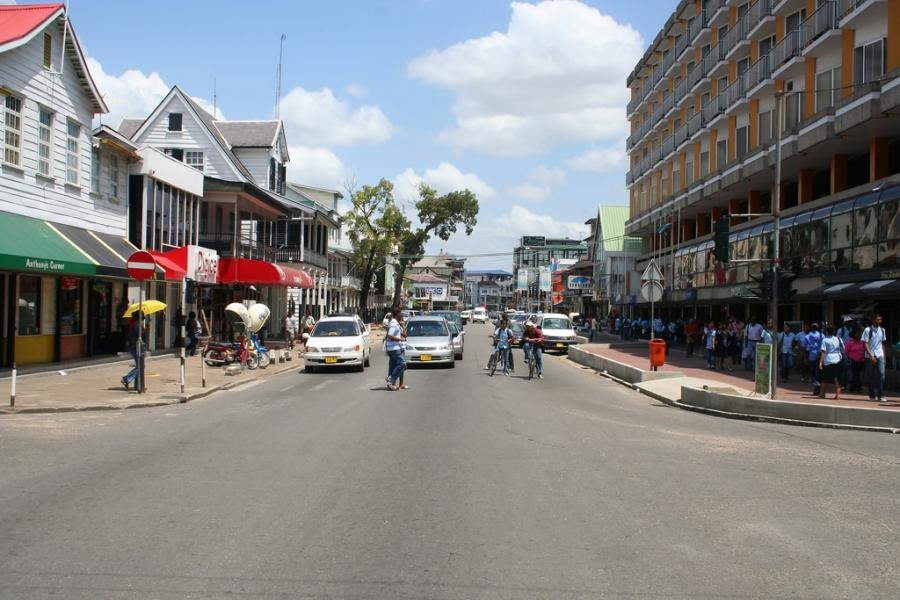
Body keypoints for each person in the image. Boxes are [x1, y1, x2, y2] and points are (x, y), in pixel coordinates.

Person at [861, 313, 887, 403]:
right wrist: (871, 355)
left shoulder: (882, 330)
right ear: (873, 320)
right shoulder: (868, 330)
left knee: (881, 374)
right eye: (878, 319)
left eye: (880, 319)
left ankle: (881, 394)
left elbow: (882, 343)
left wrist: (884, 356)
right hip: (869, 355)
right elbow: (865, 343)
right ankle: (872, 394)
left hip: (880, 354)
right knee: (869, 376)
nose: (879, 321)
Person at [818, 324, 844, 400]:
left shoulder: (825, 340)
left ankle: (822, 394)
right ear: (834, 331)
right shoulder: (838, 339)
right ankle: (837, 395)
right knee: (837, 378)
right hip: (838, 360)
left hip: (828, 360)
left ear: (827, 331)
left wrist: (820, 362)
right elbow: (843, 349)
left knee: (825, 379)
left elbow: (823, 352)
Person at [384, 307, 408, 390]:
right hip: (394, 348)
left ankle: (391, 384)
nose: (401, 315)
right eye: (400, 313)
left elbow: (405, 335)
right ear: (397, 314)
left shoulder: (396, 323)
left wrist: (403, 325)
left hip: (395, 347)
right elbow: (390, 336)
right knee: (402, 363)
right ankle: (390, 379)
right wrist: (400, 339)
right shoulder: (394, 324)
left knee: (393, 365)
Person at [121, 316, 144, 390]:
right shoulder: (137, 326)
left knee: (140, 365)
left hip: (135, 347)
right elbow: (140, 335)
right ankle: (126, 379)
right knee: (141, 366)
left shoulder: (134, 325)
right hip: (135, 347)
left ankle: (128, 379)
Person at [844, 327, 866, 393]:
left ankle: (853, 386)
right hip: (853, 360)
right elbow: (846, 351)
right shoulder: (850, 342)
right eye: (856, 333)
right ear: (853, 334)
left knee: (858, 375)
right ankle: (858, 388)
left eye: (859, 333)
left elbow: (865, 350)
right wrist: (849, 358)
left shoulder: (862, 342)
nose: (858, 335)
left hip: (862, 360)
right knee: (856, 374)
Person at [805, 323, 823, 395]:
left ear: (811, 328)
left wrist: (805, 357)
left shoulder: (807, 336)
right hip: (819, 355)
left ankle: (816, 385)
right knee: (818, 372)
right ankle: (818, 385)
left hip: (811, 355)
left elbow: (804, 347)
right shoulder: (822, 335)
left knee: (812, 372)